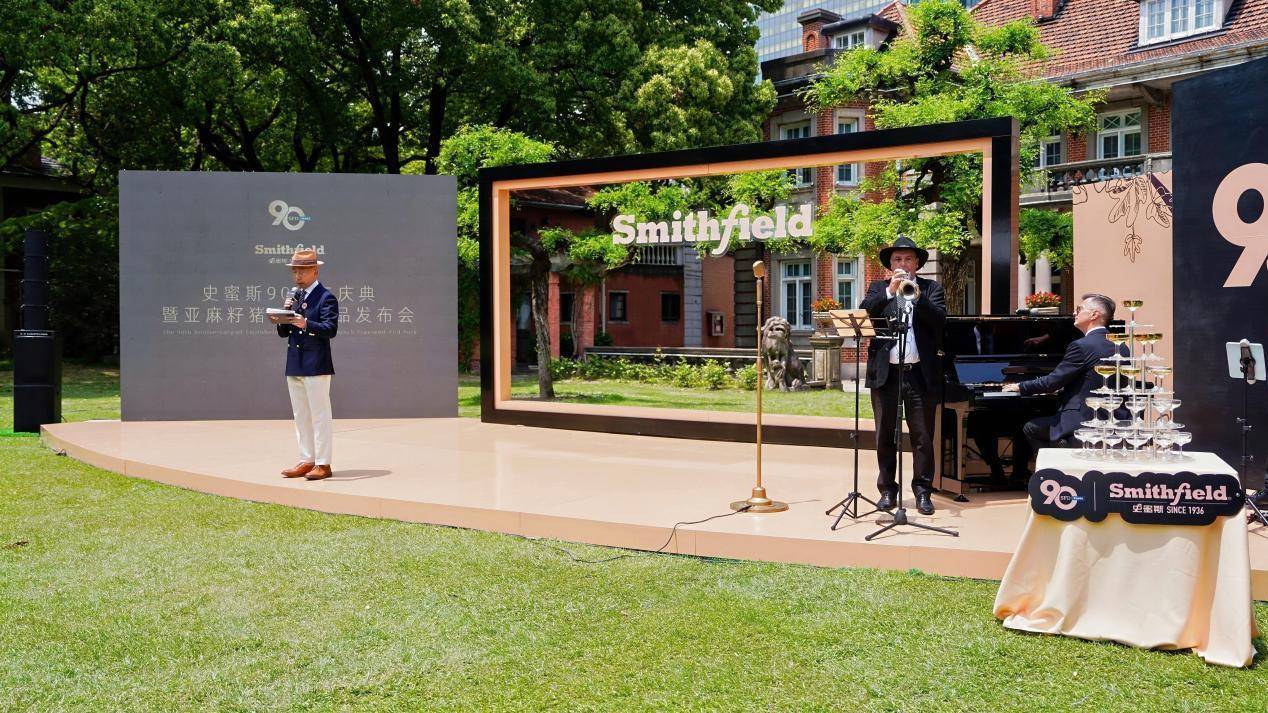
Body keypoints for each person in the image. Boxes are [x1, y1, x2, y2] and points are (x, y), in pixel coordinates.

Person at [861, 235, 946, 516]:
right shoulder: (878, 289)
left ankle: (923, 491)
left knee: (923, 437)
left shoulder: (931, 289)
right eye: (897, 259)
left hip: (919, 375)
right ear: (890, 265)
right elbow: (865, 313)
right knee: (885, 435)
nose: (903, 263)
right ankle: (887, 490)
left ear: (917, 263)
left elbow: (940, 321)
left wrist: (918, 298)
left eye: (908, 259)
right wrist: (890, 292)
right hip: (886, 375)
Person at [1002, 293, 1125, 473]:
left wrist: (1020, 386)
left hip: (1083, 419)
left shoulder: (1081, 345)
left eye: (1079, 309)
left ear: (1094, 314)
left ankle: (1057, 471)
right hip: (1116, 418)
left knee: (1030, 428)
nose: (1074, 313)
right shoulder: (1122, 346)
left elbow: (1052, 382)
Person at [268, 248, 339, 481]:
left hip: (315, 363)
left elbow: (330, 329)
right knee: (301, 415)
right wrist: (283, 314)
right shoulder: (295, 296)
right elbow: (283, 333)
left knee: (320, 415)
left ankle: (323, 463)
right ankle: (306, 459)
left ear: (315, 271)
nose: (297, 275)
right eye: (295, 271)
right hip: (295, 363)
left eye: (303, 270)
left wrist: (305, 323)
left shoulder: (326, 297)